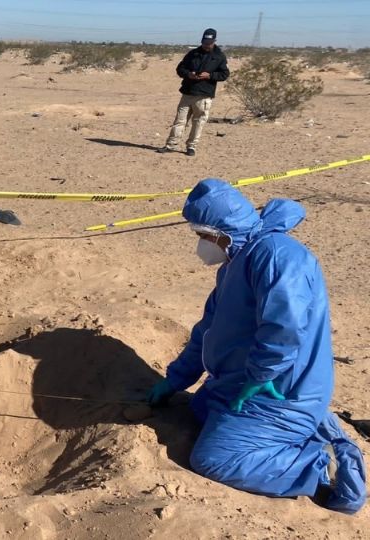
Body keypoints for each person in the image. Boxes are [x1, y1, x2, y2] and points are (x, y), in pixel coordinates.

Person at [147, 179, 366, 514]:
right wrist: (175, 380)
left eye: (203, 236)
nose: (202, 245)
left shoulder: (277, 255)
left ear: (221, 231)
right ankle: (311, 425)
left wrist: (261, 374)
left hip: (279, 390)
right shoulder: (235, 263)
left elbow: (285, 325)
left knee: (214, 458)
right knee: (199, 410)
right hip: (241, 380)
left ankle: (323, 464)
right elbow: (207, 329)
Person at [157, 28, 229, 157]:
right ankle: (170, 145)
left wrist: (210, 75)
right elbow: (180, 69)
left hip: (204, 95)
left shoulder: (219, 56)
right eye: (205, 42)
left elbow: (224, 74)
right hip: (188, 93)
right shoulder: (193, 54)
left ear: (214, 41)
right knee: (179, 121)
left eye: (209, 42)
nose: (207, 45)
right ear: (202, 40)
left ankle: (191, 147)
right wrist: (189, 74)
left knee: (198, 122)